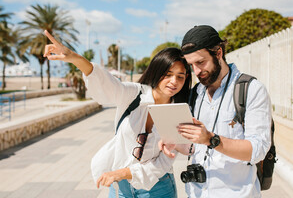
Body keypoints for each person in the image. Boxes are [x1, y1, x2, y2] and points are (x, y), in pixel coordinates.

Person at [43, 30, 192, 198]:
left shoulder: (178, 111)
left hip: (158, 187)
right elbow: (107, 84)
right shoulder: (134, 94)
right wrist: (76, 58)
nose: (174, 82)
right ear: (157, 72)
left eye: (180, 77)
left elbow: (164, 162)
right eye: (168, 74)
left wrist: (123, 173)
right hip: (122, 189)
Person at [159, 25, 272, 198]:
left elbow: (259, 150)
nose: (196, 71)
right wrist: (176, 143)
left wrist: (211, 139)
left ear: (218, 53)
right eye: (191, 65)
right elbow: (195, 148)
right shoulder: (196, 93)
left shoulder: (251, 90)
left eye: (201, 62)